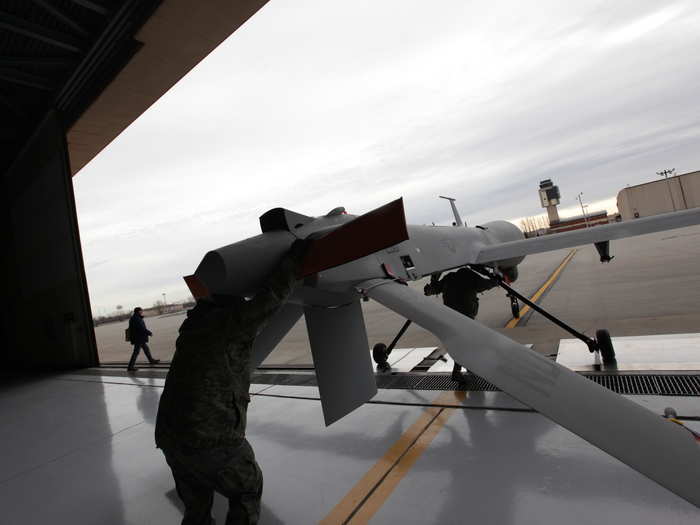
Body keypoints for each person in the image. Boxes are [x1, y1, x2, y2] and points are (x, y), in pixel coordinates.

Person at [155, 240, 308, 525]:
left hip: (171, 437)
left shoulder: (193, 327)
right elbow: (269, 300)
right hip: (211, 438)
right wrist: (293, 262)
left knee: (196, 504)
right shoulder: (229, 325)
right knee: (248, 488)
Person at [424, 265, 517, 382]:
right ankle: (458, 372)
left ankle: (469, 367)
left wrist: (431, 285)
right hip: (466, 316)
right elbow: (485, 285)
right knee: (467, 343)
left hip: (451, 316)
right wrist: (497, 281)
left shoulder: (450, 277)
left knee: (462, 343)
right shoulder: (470, 277)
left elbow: (434, 289)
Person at [127, 307, 159, 371]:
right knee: (136, 352)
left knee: (146, 349)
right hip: (138, 338)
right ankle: (130, 367)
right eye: (141, 310)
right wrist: (149, 333)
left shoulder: (135, 317)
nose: (142, 311)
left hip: (139, 337)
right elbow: (141, 328)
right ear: (138, 311)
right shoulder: (136, 318)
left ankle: (151, 360)